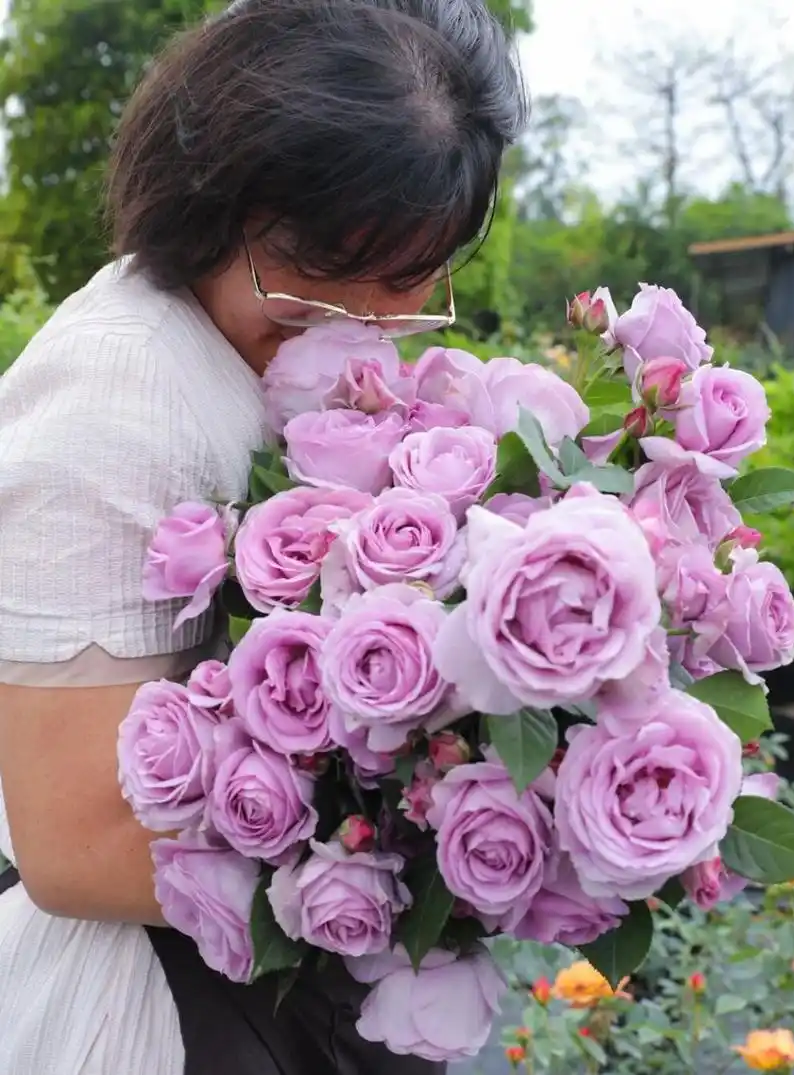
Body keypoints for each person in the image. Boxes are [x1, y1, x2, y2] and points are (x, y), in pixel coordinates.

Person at [0, 1, 525, 1071]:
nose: (370, 318)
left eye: (413, 275)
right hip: (161, 1006)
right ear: (213, 199)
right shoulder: (116, 394)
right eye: (323, 269)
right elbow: (73, 843)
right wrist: (458, 853)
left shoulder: (247, 343)